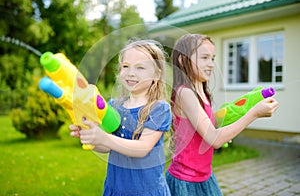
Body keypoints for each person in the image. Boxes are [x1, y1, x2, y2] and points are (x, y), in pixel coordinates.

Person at [166, 34, 279, 195]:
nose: (211, 64)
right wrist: (254, 113)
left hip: (204, 176)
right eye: (204, 57)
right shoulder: (185, 93)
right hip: (186, 181)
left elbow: (209, 131)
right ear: (183, 61)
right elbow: (214, 139)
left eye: (212, 58)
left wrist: (226, 131)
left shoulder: (202, 93)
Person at [69, 39, 172, 195]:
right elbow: (105, 146)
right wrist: (91, 136)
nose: (131, 72)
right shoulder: (114, 106)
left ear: (157, 74)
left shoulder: (159, 109)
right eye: (126, 66)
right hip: (116, 188)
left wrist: (104, 138)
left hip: (145, 191)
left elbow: (142, 148)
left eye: (140, 67)